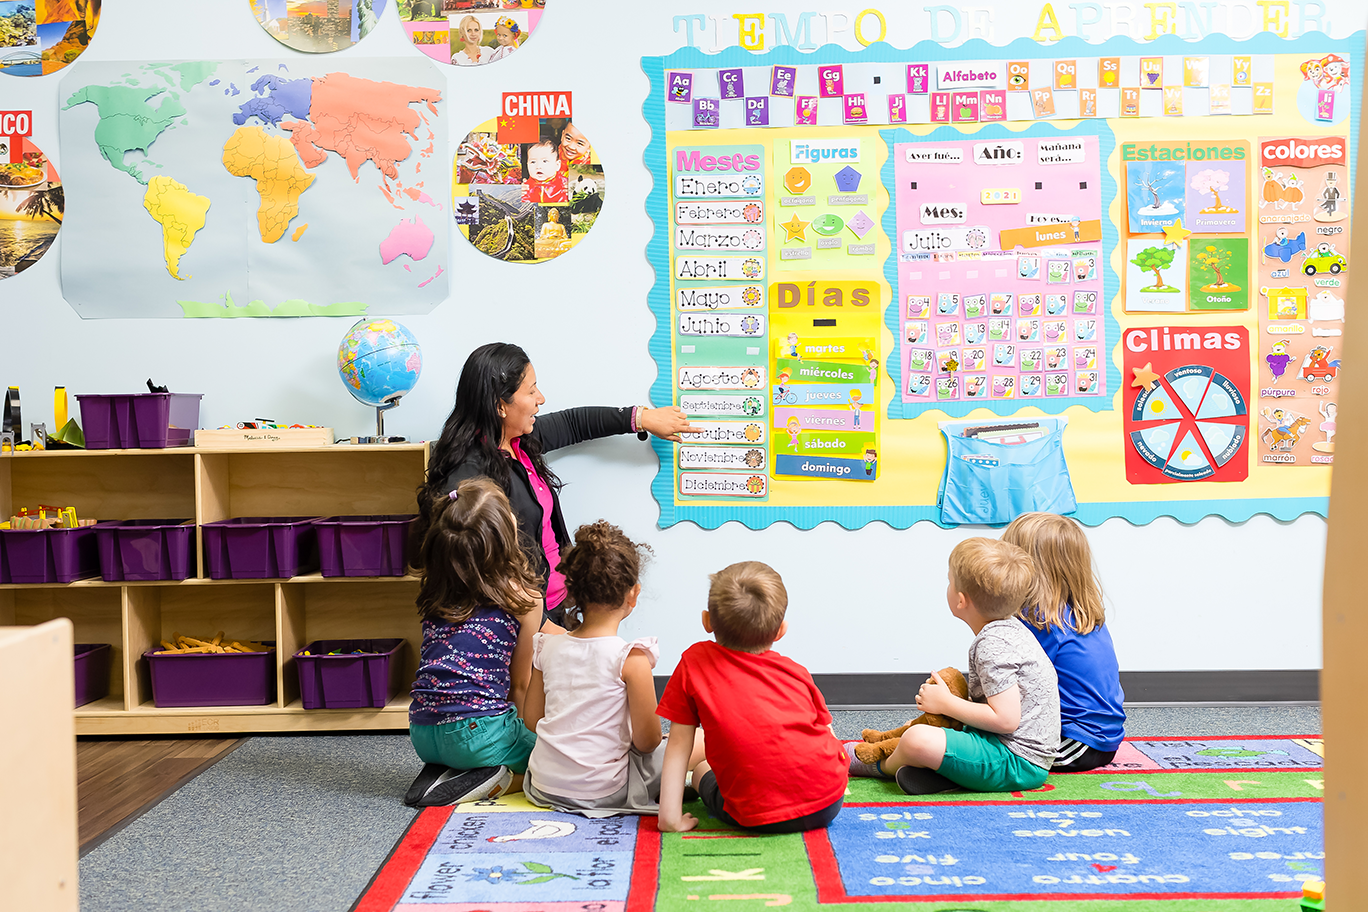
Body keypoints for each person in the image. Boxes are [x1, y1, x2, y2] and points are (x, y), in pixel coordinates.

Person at [415, 342, 698, 627]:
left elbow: (574, 423)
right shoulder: (469, 477)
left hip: (555, 608)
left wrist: (642, 418)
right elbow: (479, 574)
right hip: (522, 622)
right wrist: (543, 629)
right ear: (500, 405)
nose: (541, 398)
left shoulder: (519, 440)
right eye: (531, 390)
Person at [850, 538, 1059, 795]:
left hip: (1016, 762)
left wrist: (945, 704)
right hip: (1008, 750)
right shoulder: (1010, 630)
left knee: (917, 739)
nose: (948, 586)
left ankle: (881, 766)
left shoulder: (993, 644)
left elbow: (1006, 720)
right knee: (923, 728)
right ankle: (946, 775)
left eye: (950, 581)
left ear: (961, 600)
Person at [656, 561, 847, 833]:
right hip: (828, 802)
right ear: (781, 630)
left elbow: (678, 744)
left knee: (701, 769)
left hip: (755, 814)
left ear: (707, 621)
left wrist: (669, 819)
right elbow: (826, 730)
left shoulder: (694, 663)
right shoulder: (796, 672)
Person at [403, 477, 542, 808]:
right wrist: (523, 739)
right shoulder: (524, 600)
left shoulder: (435, 594)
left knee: (468, 733)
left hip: (422, 730)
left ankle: (445, 771)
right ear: (505, 535)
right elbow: (519, 685)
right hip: (479, 735)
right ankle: (495, 778)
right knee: (552, 761)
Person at [522, 522, 673, 816]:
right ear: (634, 594)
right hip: (605, 791)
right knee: (692, 744)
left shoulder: (545, 646)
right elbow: (648, 742)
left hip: (543, 786)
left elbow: (532, 719)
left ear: (573, 592)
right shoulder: (631, 659)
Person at [1002, 512, 1125, 772]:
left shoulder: (1042, 620)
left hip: (1075, 741)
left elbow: (1013, 689)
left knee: (991, 747)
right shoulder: (1080, 614)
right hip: (1097, 739)